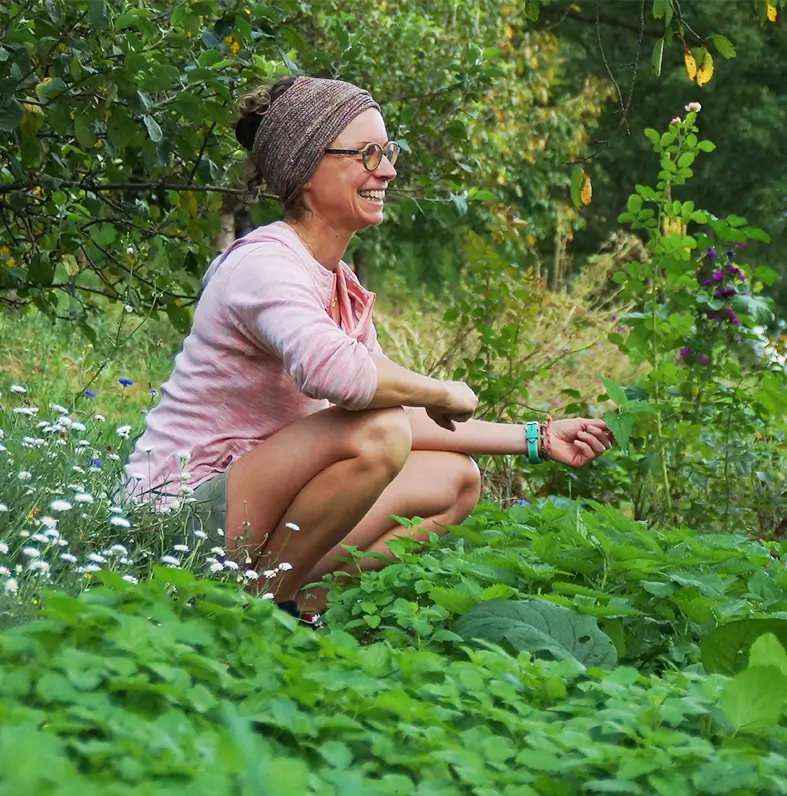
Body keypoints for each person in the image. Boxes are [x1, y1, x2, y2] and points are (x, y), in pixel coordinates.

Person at [124, 75, 613, 625]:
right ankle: (251, 618)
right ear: (307, 172)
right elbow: (337, 375)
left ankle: (294, 606)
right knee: (377, 435)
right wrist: (442, 390)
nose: (388, 169)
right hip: (175, 519)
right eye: (367, 154)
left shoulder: (342, 285)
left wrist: (537, 439)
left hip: (260, 502)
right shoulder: (264, 264)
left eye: (388, 152)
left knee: (455, 479)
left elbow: (389, 406)